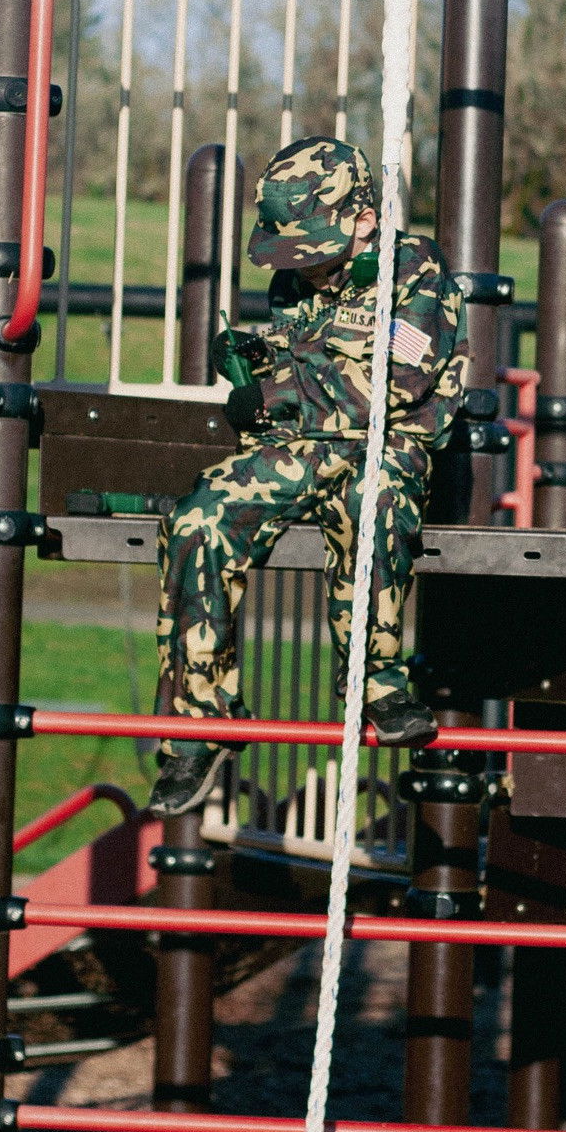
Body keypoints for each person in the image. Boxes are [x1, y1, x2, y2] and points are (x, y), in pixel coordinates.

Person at [149, 136, 469, 818]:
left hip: (386, 445)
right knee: (197, 518)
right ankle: (199, 717)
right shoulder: (294, 280)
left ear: (362, 221)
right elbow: (302, 365)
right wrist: (254, 366)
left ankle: (378, 683)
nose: (307, 268)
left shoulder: (413, 271)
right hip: (304, 446)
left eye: (315, 249)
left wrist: (274, 392)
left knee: (372, 498)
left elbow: (390, 385)